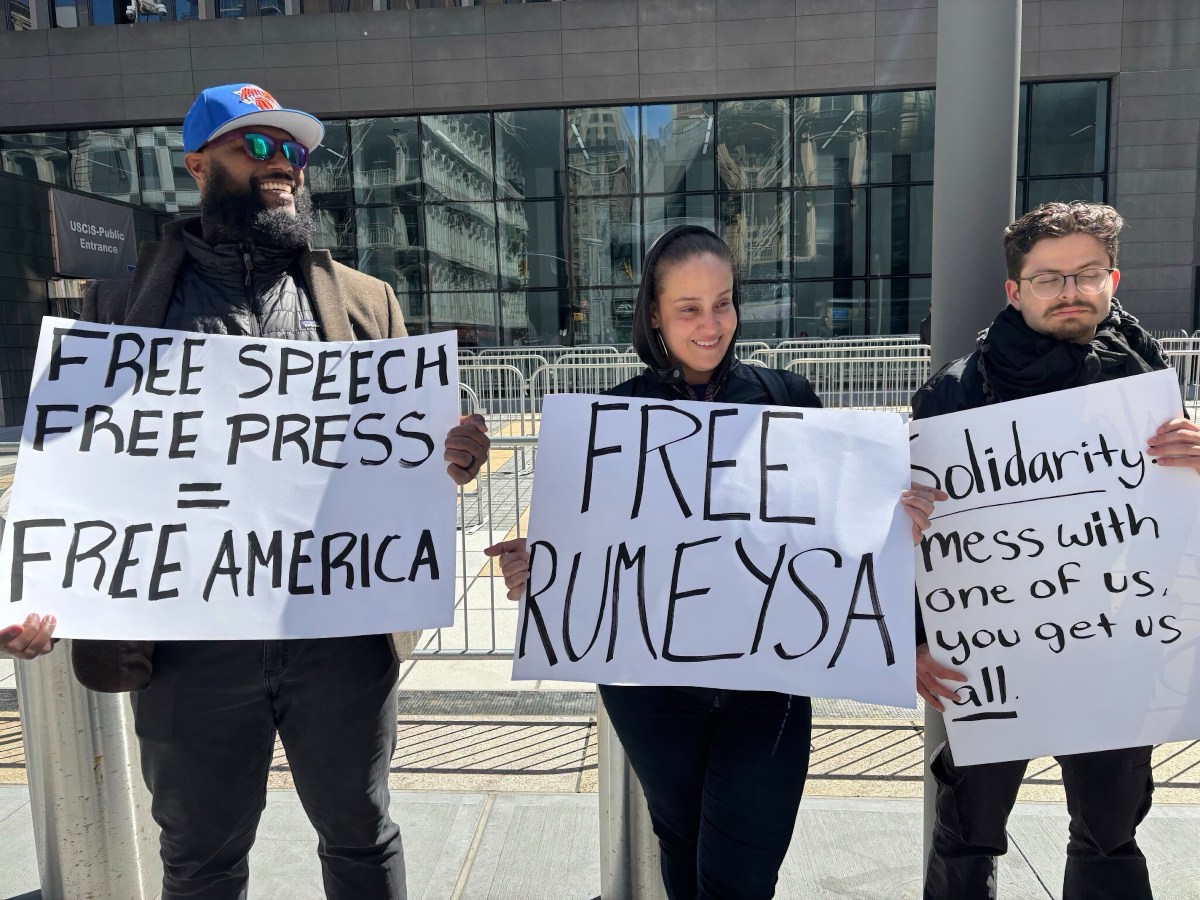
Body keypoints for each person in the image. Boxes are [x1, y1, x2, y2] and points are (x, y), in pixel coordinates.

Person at [9, 83, 489, 900]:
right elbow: (74, 466)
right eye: (254, 147)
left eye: (293, 152)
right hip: (187, 650)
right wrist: (34, 591)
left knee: (362, 837)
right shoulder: (119, 306)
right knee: (200, 859)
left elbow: (406, 460)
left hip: (337, 637)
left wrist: (454, 453)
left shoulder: (367, 302)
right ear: (197, 164)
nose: (282, 168)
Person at [488, 224, 944, 899]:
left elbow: (829, 536)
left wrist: (888, 551)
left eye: (723, 302)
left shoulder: (789, 399)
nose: (712, 324)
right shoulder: (614, 415)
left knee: (741, 869)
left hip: (767, 684)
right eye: (689, 308)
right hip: (652, 690)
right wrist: (546, 569)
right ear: (654, 314)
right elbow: (599, 549)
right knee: (682, 844)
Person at [913, 201, 1200, 900]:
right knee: (967, 830)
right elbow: (915, 541)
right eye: (1049, 278)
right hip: (991, 653)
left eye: (1087, 274)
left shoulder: (1151, 387)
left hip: (1118, 647)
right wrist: (918, 641)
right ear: (1016, 290)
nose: (1070, 291)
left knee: (1109, 832)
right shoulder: (953, 393)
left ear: (1112, 279)